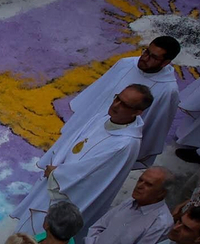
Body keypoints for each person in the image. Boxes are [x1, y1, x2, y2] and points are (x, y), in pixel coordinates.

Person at [14, 84, 151, 236]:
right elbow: (73, 142)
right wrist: (57, 162)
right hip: (56, 176)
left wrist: (58, 174)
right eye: (117, 98)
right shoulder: (104, 118)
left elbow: (96, 178)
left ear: (138, 112)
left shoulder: (125, 144)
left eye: (125, 104)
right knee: (29, 222)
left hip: (68, 190)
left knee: (41, 231)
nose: (116, 105)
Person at [64, 36, 182, 169]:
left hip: (112, 140)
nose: (144, 58)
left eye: (153, 57)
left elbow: (154, 125)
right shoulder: (126, 64)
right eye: (146, 51)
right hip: (89, 125)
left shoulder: (168, 91)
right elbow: (99, 93)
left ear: (165, 63)